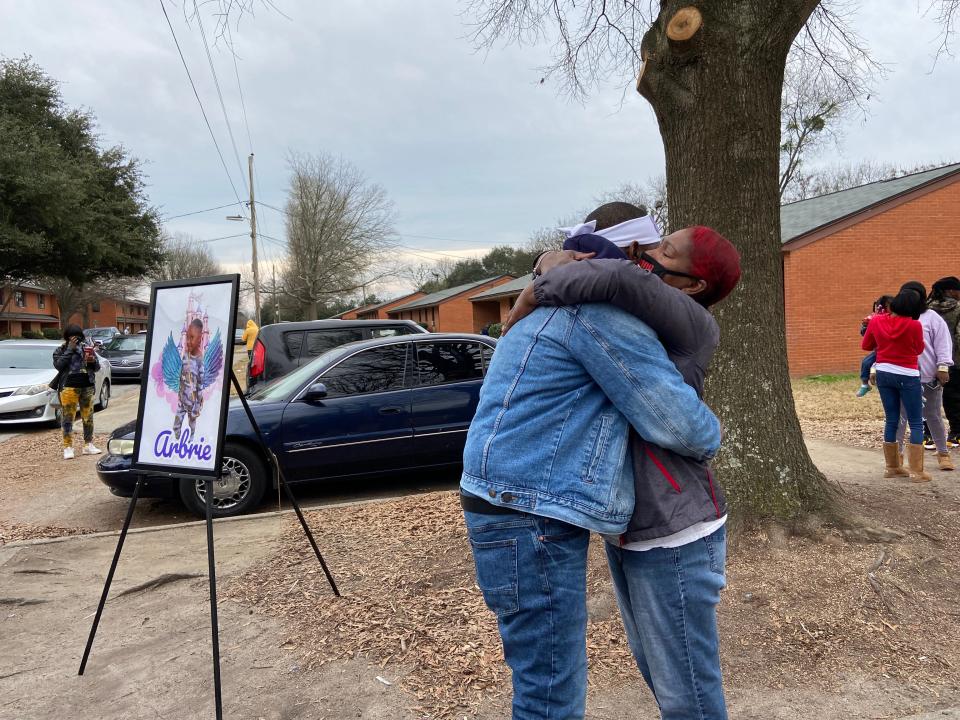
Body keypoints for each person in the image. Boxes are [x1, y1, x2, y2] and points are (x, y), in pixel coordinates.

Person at [463, 203, 740, 719]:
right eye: (647, 246)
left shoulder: (603, 309)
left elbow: (680, 424)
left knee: (648, 689)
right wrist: (553, 267)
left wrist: (545, 274)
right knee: (554, 695)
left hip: (660, 521)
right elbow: (674, 419)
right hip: (545, 514)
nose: (648, 259)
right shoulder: (594, 312)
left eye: (663, 250)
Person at [862, 285, 928, 481]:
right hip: (907, 373)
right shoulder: (914, 325)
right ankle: (917, 471)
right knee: (916, 421)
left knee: (892, 419)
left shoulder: (876, 321)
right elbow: (918, 350)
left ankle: (892, 467)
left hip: (883, 372)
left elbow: (866, 345)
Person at [894, 281, 954, 472]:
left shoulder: (932, 318)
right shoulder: (894, 318)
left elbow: (943, 344)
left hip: (929, 377)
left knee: (933, 415)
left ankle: (943, 454)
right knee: (900, 417)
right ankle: (896, 457)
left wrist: (943, 366)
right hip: (902, 375)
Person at [52, 325, 101, 460]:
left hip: (87, 386)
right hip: (68, 387)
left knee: (88, 417)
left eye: (78, 337)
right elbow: (58, 365)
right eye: (73, 337)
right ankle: (68, 447)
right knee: (68, 418)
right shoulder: (61, 349)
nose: (76, 340)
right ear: (67, 337)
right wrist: (69, 350)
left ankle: (88, 444)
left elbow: (97, 367)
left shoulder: (87, 347)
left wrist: (92, 361)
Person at [927, 277, 960, 446]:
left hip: (927, 361)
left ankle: (928, 435)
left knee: (927, 398)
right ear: (950, 291)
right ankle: (955, 433)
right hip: (953, 361)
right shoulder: (958, 308)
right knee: (953, 397)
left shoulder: (925, 308)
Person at [173, 319, 205, 440]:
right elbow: (182, 375)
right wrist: (180, 395)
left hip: (193, 403)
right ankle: (176, 443)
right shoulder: (185, 355)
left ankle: (191, 445)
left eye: (192, 338)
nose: (188, 342)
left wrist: (197, 406)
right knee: (176, 426)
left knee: (192, 428)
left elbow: (200, 385)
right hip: (182, 400)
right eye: (187, 337)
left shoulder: (200, 361)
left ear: (200, 339)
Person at [857, 295, 892, 397]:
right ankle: (864, 384)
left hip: (892, 352)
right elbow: (865, 337)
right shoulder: (874, 318)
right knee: (866, 362)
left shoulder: (896, 317)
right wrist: (866, 326)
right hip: (879, 350)